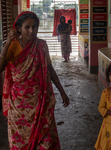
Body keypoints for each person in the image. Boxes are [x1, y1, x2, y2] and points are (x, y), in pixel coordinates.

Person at [0, 11, 70, 149]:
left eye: (34, 27)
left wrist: (62, 91)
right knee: (20, 143)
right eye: (27, 27)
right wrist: (7, 43)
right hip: (18, 106)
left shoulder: (41, 45)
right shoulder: (13, 46)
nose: (31, 31)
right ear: (19, 28)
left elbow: (50, 69)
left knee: (45, 140)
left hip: (40, 102)